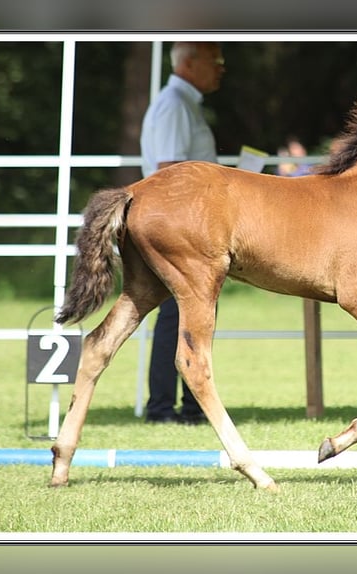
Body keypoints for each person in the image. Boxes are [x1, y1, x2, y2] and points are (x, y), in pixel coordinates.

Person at [139, 41, 226, 424]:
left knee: (180, 313)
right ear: (189, 63)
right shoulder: (175, 103)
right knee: (178, 314)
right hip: (182, 226)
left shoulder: (183, 103)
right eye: (215, 60)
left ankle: (185, 404)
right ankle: (166, 406)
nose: (221, 68)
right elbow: (170, 171)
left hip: (189, 224)